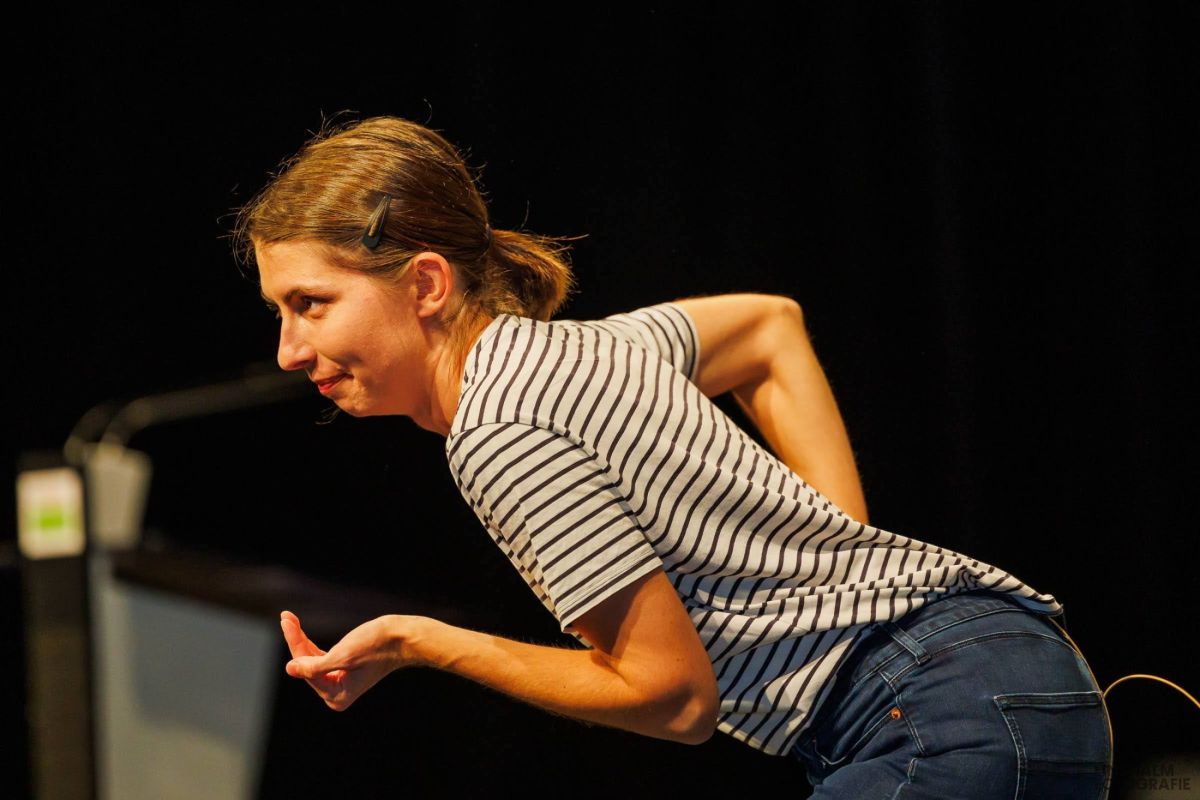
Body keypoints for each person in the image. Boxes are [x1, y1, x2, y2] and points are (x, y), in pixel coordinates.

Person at [234, 115, 1113, 797]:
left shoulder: (500, 429)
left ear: (426, 283)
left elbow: (673, 698)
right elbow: (770, 328)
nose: (288, 350)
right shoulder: (592, 348)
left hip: (935, 707)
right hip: (1003, 677)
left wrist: (421, 641)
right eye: (281, 311)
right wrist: (833, 549)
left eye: (311, 303)